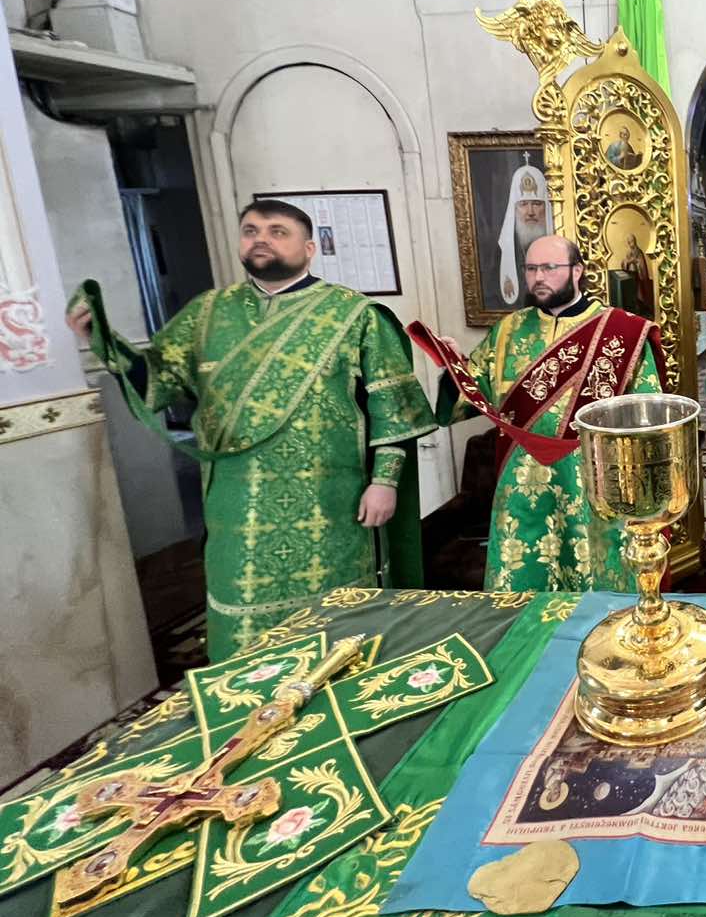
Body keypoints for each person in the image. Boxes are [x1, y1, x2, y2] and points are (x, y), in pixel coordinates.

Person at [66, 199, 434, 661]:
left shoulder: (353, 314)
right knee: (241, 612)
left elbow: (393, 405)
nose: (261, 239)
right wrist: (101, 338)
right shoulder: (207, 314)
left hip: (329, 499)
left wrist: (384, 482)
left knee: (337, 615)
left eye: (278, 231)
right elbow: (158, 384)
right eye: (251, 230)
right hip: (236, 500)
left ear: (309, 248)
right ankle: (245, 694)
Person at [429, 235, 665, 592]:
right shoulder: (508, 331)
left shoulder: (623, 331)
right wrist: (453, 367)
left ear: (577, 271)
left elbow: (648, 414)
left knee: (596, 587)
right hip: (521, 486)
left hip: (593, 483)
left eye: (549, 268)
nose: (538, 277)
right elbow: (473, 394)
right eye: (531, 269)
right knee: (523, 590)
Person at [497, 154, 551, 307]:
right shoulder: (505, 248)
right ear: (514, 209)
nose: (530, 212)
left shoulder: (559, 244)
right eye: (523, 204)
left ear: (545, 208)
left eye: (536, 204)